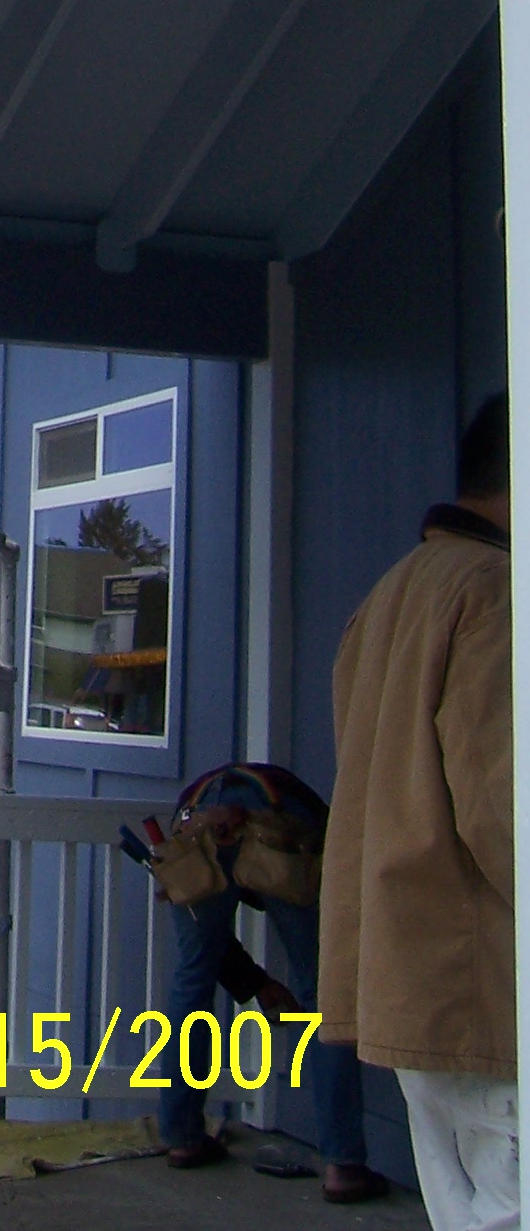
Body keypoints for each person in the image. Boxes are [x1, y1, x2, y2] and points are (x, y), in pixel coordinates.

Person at [324, 392, 515, 1231]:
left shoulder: (391, 593)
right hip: (484, 986)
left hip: (404, 979)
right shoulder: (496, 592)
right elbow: (508, 807)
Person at [155, 759, 386, 1201]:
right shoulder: (321, 826)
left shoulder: (195, 814)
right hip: (283, 826)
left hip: (195, 824)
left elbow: (211, 945)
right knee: (323, 993)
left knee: (192, 979)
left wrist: (256, 984)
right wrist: (259, 984)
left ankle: (181, 1136)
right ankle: (344, 1166)